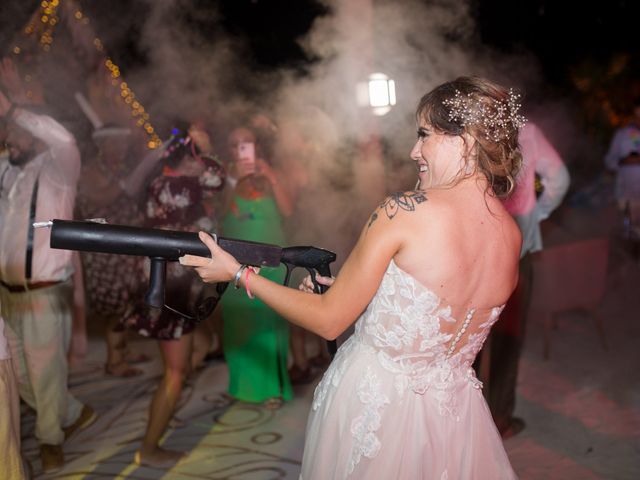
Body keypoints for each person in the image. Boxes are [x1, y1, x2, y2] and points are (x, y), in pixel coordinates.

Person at [181, 76, 524, 478]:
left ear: (464, 140)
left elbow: (329, 320)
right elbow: (440, 315)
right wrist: (363, 294)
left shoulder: (406, 212)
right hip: (455, 418)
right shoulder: (510, 233)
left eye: (425, 135)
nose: (415, 151)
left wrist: (238, 274)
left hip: (378, 408)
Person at [0, 71, 95, 472]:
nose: (10, 139)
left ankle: (50, 437)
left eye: (16, 133)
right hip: (7, 291)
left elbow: (65, 140)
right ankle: (70, 412)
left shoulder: (61, 169)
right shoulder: (10, 174)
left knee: (44, 371)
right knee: (16, 375)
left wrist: (13, 108)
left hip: (44, 290)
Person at [121, 126, 225, 467]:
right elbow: (219, 177)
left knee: (200, 346)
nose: (202, 165)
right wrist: (206, 147)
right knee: (175, 372)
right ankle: (149, 447)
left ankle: (169, 408)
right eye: (196, 159)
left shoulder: (162, 184)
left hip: (175, 284)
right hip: (171, 288)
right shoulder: (176, 185)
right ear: (188, 162)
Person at [480, 120, 570, 438]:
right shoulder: (526, 131)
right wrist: (539, 214)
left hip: (471, 251)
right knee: (507, 336)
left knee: (467, 337)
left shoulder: (469, 129)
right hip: (517, 249)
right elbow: (559, 178)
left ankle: (466, 422)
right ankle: (500, 419)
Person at [217, 123, 294, 408]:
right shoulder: (225, 176)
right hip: (234, 260)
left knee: (269, 324)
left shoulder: (268, 174)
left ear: (256, 146)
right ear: (230, 150)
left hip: (271, 261)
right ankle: (240, 386)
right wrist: (232, 182)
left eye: (247, 142)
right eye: (236, 144)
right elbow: (219, 214)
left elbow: (287, 210)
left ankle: (273, 387)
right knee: (238, 324)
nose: (242, 148)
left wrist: (271, 177)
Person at [604, 96, 640, 232]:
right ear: (635, 111)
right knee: (631, 236)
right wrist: (623, 161)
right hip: (627, 195)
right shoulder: (623, 135)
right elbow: (609, 161)